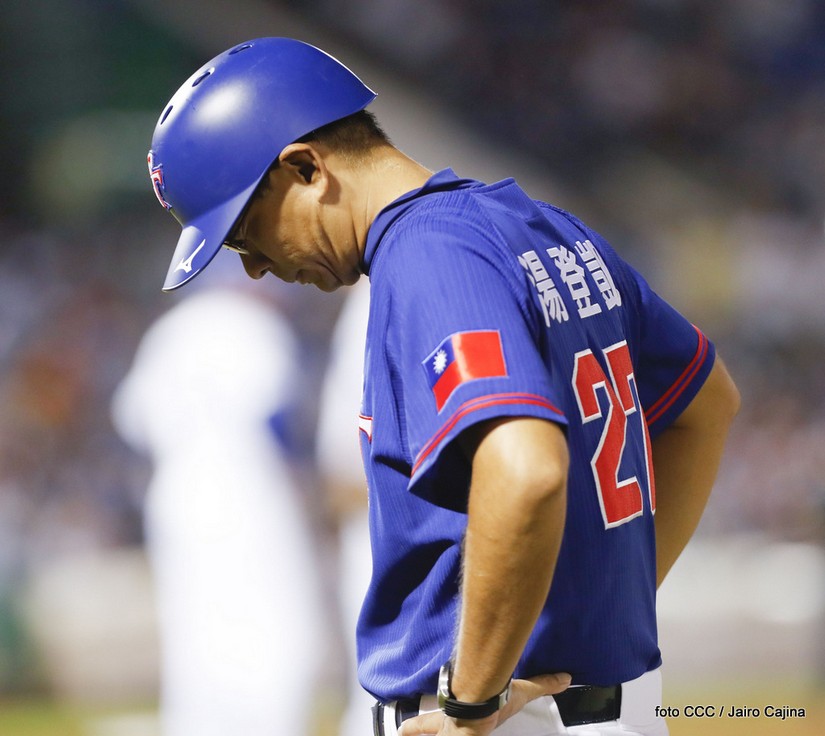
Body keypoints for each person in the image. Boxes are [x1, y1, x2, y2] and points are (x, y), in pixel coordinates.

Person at [145, 37, 740, 736]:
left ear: (305, 168)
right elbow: (708, 404)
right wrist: (595, 620)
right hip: (591, 703)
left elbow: (525, 470)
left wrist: (471, 702)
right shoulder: (541, 226)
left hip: (505, 720)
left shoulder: (427, 254)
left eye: (245, 232)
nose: (252, 267)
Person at [111, 257, 327, 736]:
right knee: (277, 619)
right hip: (248, 489)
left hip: (177, 494)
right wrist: (305, 486)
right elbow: (275, 419)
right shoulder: (251, 323)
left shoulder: (170, 330)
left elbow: (132, 425)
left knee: (196, 624)